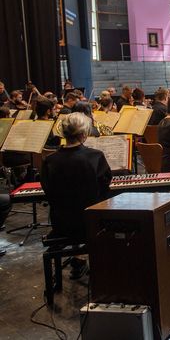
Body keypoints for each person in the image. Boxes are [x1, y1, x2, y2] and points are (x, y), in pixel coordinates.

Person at [41, 113, 112, 278]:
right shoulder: (95, 156)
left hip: (61, 224)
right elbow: (104, 190)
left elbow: (48, 191)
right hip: (91, 222)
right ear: (83, 134)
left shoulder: (49, 160)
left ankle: (78, 261)